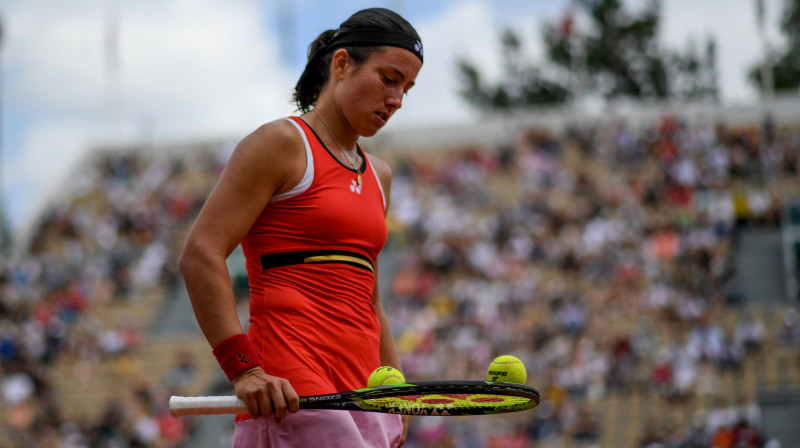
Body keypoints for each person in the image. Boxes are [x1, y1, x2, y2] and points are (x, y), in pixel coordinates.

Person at [178, 7, 423, 448]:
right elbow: (200, 255)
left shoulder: (380, 175)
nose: (397, 100)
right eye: (389, 79)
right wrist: (245, 370)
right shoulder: (280, 144)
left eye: (406, 88)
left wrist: (396, 385)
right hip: (293, 390)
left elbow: (371, 300)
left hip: (364, 391)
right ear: (342, 64)